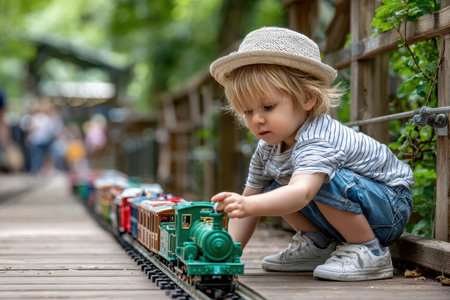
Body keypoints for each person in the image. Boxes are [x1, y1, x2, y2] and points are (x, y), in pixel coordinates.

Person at [209, 27, 413, 282]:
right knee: (270, 185)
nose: (257, 120)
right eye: (247, 111)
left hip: (388, 209)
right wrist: (227, 252)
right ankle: (317, 245)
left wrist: (247, 204)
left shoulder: (318, 139)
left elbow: (300, 193)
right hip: (356, 207)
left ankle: (369, 250)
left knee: (317, 180)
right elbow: (250, 202)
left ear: (307, 98)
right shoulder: (268, 148)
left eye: (268, 107)